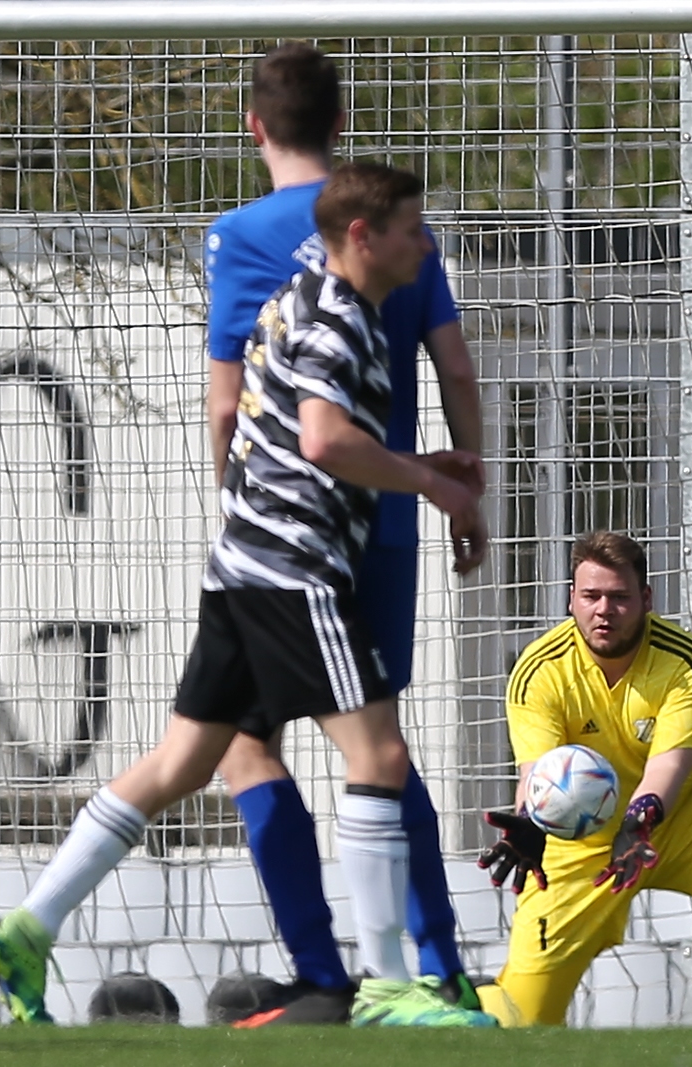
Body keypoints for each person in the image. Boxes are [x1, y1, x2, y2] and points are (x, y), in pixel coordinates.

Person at [0, 163, 492, 1029]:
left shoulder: (295, 298)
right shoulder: (341, 318)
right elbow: (327, 439)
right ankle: (395, 986)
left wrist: (414, 468)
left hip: (240, 566)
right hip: (297, 570)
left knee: (179, 764)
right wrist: (428, 483)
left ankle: (32, 923)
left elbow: (279, 427)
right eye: (412, 229)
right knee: (379, 760)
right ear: (363, 237)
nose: (427, 244)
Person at [201, 43, 489, 1027]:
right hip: (391, 518)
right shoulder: (400, 230)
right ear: (341, 120)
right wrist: (465, 482)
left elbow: (226, 400)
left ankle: (327, 973)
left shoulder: (239, 234)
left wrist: (239, 510)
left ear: (253, 128)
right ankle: (438, 963)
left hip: (286, 531)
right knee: (382, 741)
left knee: (246, 747)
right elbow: (453, 365)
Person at [474, 531, 692, 1027]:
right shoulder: (538, 670)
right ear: (571, 598)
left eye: (619, 597)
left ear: (646, 600)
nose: (603, 610)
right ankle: (461, 1001)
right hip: (578, 846)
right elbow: (539, 771)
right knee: (522, 1021)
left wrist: (640, 819)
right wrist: (528, 821)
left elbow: (669, 765)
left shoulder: (684, 660)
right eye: (590, 596)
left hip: (677, 815)